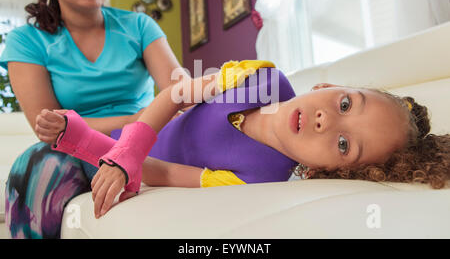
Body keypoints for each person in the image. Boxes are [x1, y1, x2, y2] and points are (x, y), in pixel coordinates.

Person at [40, 60, 450, 220]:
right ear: (328, 85)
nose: (327, 120)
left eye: (345, 145)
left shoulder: (260, 176)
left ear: (327, 171)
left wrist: (90, 146)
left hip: (102, 157)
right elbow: (173, 96)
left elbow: (162, 172)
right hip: (128, 138)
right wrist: (124, 151)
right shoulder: (264, 77)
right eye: (345, 103)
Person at [1, 0, 186, 239]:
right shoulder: (26, 41)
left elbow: (181, 95)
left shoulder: (139, 26)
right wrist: (138, 119)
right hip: (75, 147)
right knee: (37, 164)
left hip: (145, 140)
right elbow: (49, 129)